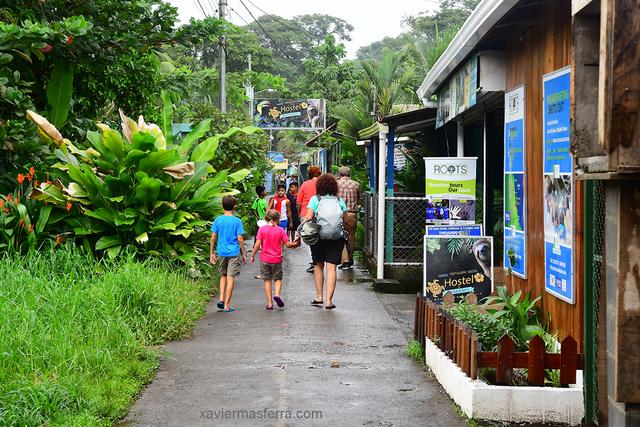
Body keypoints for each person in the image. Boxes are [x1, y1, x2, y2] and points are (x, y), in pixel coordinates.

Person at [304, 174, 347, 310]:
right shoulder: (339, 200)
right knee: (332, 268)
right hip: (336, 238)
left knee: (318, 265)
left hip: (318, 238)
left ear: (319, 186)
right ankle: (329, 301)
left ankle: (319, 297)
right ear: (334, 186)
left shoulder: (315, 199)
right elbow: (344, 218)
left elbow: (308, 218)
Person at [250, 209, 300, 310]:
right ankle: (277, 295)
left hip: (265, 259)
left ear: (267, 218)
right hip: (276, 259)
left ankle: (269, 303)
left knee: (267, 280)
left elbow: (257, 244)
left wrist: (252, 255)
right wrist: (295, 243)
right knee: (277, 279)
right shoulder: (280, 230)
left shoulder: (262, 229)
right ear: (278, 219)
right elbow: (288, 244)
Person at [210, 195, 247, 312]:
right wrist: (244, 253)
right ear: (234, 206)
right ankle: (227, 305)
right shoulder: (237, 221)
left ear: (222, 206)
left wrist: (211, 253)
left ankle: (221, 299)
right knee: (230, 278)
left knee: (223, 275)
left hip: (221, 252)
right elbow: (240, 238)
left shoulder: (218, 220)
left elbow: (213, 238)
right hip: (234, 252)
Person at [336, 166, 361, 270]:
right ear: (349, 174)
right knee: (351, 237)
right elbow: (359, 198)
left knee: (340, 236)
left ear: (339, 174)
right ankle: (350, 260)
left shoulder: (336, 184)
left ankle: (343, 260)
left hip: (339, 214)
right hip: (351, 214)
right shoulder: (356, 184)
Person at [297, 166, 322, 273]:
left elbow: (298, 202)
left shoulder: (305, 185)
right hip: (321, 214)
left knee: (308, 237)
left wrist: (299, 214)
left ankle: (313, 261)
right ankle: (319, 259)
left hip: (306, 214)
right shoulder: (322, 184)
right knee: (319, 237)